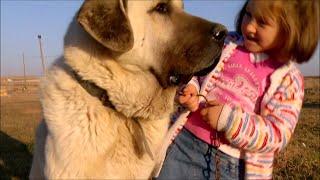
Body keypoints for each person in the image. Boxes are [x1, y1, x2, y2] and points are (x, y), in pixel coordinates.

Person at [155, 0, 319, 179]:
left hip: (229, 165)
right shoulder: (227, 43)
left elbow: (277, 134)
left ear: (290, 30)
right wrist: (190, 88)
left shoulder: (288, 79)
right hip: (182, 143)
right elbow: (196, 73)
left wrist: (229, 120)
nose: (249, 26)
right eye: (248, 14)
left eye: (262, 22)